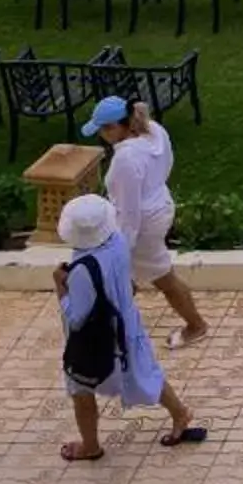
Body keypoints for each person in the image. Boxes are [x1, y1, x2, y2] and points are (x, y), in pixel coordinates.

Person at [53, 194, 202, 461]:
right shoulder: (118, 243)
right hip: (127, 328)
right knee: (146, 371)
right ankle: (180, 413)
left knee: (80, 389)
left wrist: (61, 290)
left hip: (96, 342)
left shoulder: (82, 272)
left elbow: (77, 318)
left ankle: (90, 446)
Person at [84, 93, 209, 347]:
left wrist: (120, 246)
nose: (101, 136)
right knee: (125, 276)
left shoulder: (125, 161)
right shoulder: (155, 132)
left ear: (115, 128)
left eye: (103, 130)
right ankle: (112, 328)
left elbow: (129, 212)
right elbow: (167, 164)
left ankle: (196, 326)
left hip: (142, 225)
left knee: (158, 277)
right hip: (160, 207)